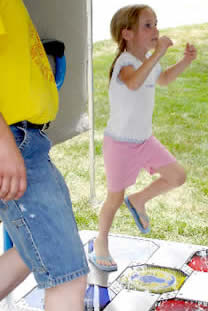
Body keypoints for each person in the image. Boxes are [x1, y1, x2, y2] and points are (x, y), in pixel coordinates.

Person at [89, 4, 197, 272]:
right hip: (120, 144)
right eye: (147, 25)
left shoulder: (150, 60)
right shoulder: (125, 62)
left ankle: (139, 200)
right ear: (127, 34)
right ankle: (101, 242)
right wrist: (159, 51)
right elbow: (134, 82)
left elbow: (163, 79)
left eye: (156, 24)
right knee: (113, 199)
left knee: (177, 176)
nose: (155, 30)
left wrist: (184, 61)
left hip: (145, 141)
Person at [0, 1, 89, 310]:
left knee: (33, 249)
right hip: (12, 139)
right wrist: (2, 141)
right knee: (68, 275)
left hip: (23, 139)